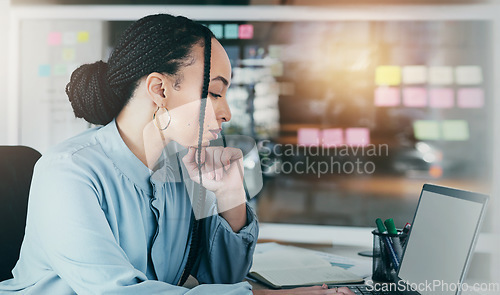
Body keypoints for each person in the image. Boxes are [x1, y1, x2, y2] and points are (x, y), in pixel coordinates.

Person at [0, 14, 354, 295]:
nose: (226, 112)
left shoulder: (184, 168)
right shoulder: (69, 172)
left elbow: (224, 277)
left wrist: (230, 195)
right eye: (215, 93)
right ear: (159, 89)